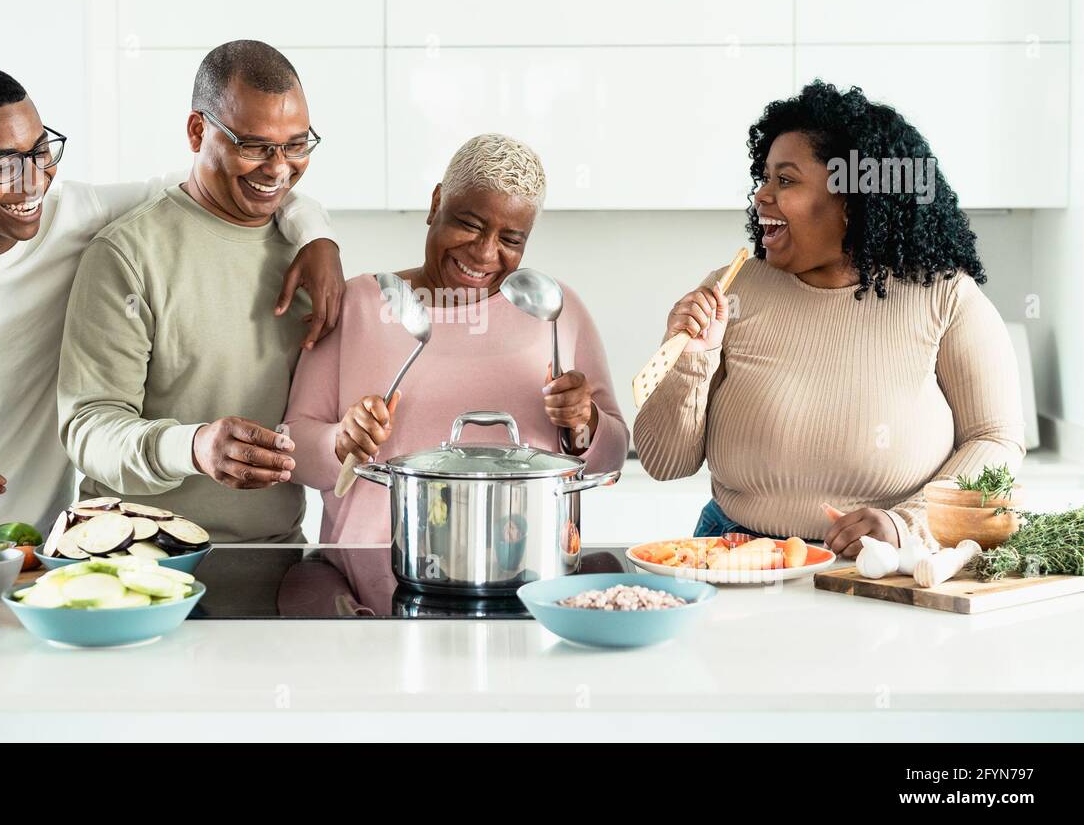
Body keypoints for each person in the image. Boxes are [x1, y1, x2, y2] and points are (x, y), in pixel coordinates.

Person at [0, 59, 342, 538]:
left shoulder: (72, 216)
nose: (34, 182)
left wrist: (316, 235)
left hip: (36, 540)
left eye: (41, 151)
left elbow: (229, 176)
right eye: (3, 164)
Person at [634, 80, 1025, 556]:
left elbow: (996, 441)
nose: (761, 196)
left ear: (850, 199)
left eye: (786, 180)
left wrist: (906, 524)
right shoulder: (730, 291)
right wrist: (692, 358)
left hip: (877, 563)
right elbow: (664, 462)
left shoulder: (945, 298)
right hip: (731, 555)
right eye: (764, 178)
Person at [283, 133, 629, 544]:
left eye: (510, 240)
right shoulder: (358, 304)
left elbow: (610, 458)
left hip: (524, 569)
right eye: (469, 225)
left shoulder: (556, 312)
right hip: (372, 577)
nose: (484, 253)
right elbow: (291, 447)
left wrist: (583, 422)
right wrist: (338, 441)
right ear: (436, 205)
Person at [58, 40, 340, 541]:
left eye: (297, 145)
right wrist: (192, 447)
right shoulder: (127, 254)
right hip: (136, 557)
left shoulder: (307, 254)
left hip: (273, 558)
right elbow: (89, 428)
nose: (278, 169)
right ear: (197, 131)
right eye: (253, 146)